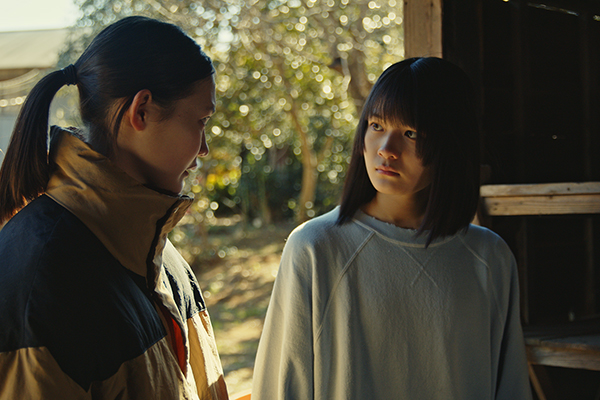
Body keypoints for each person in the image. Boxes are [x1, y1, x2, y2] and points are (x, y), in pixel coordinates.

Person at [252, 57, 532, 399]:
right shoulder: (315, 248)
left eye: (411, 133)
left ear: (452, 144)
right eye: (376, 125)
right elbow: (280, 387)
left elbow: (511, 387)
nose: (386, 150)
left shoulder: (489, 258)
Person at [0, 16, 228, 399]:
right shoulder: (42, 284)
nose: (204, 149)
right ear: (142, 111)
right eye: (201, 121)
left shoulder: (160, 257)